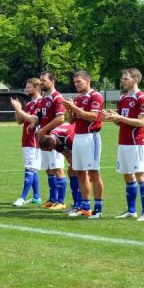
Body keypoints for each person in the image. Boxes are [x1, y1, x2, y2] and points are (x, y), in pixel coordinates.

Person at [105, 68, 144, 221]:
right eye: (123, 78)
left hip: (136, 143)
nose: (123, 81)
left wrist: (120, 118)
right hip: (123, 142)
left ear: (135, 79)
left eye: (126, 78)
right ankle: (131, 210)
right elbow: (121, 122)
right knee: (127, 175)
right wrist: (114, 118)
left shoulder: (142, 98)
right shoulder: (123, 98)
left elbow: (142, 122)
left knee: (140, 175)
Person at [61, 71, 104, 218]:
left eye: (79, 81)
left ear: (87, 81)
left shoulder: (95, 96)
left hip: (90, 137)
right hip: (78, 137)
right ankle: (85, 207)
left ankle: (98, 208)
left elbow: (93, 116)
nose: (77, 84)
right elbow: (72, 121)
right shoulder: (78, 98)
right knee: (79, 172)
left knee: (93, 172)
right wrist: (70, 109)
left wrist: (75, 108)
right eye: (75, 82)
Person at [34, 71, 67, 210]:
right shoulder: (43, 99)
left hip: (54, 139)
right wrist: (35, 123)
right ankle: (52, 199)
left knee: (57, 168)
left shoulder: (57, 97)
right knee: (48, 169)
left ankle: (61, 201)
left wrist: (43, 129)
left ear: (52, 81)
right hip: (44, 139)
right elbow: (40, 115)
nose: (41, 83)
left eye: (44, 80)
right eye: (40, 80)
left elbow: (60, 118)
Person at [10, 78, 42, 207]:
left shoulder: (41, 102)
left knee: (29, 168)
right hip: (26, 140)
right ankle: (37, 197)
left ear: (36, 87)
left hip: (34, 141)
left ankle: (22, 197)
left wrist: (20, 109)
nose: (26, 89)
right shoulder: (29, 104)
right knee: (32, 168)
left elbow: (33, 120)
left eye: (28, 87)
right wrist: (17, 109)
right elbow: (19, 121)